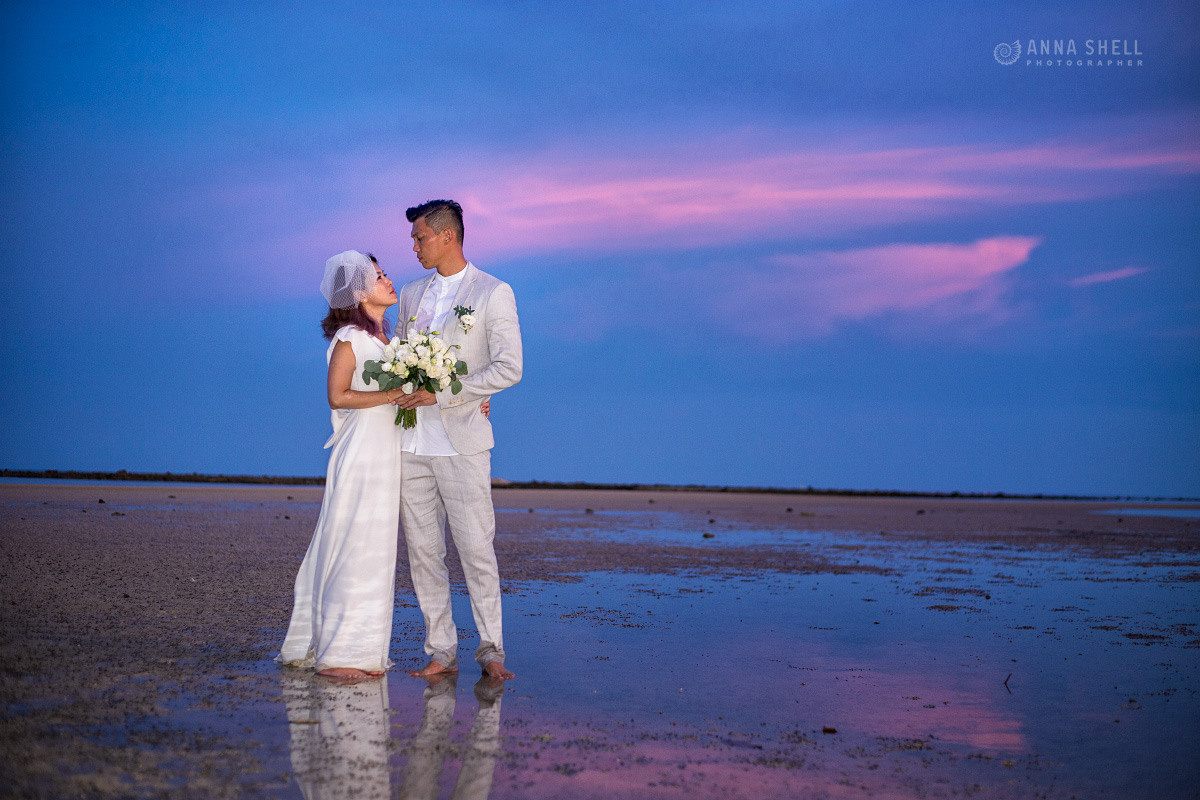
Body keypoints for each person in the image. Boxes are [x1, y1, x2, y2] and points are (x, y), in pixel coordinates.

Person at [393, 199, 522, 681]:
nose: (414, 246)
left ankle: (491, 651)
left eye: (420, 238)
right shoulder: (410, 294)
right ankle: (441, 651)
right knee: (424, 553)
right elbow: (397, 358)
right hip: (410, 444)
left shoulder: (493, 292)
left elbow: (509, 367)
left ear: (447, 236)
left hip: (462, 443)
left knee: (475, 550)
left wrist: (450, 392)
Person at [277, 250, 406, 680]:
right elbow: (337, 396)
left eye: (385, 274)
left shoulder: (391, 343)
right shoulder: (351, 338)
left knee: (377, 548)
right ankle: (339, 653)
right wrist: (391, 395)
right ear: (359, 293)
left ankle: (364, 651)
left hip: (387, 454)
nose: (389, 280)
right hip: (362, 452)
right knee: (354, 542)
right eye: (379, 276)